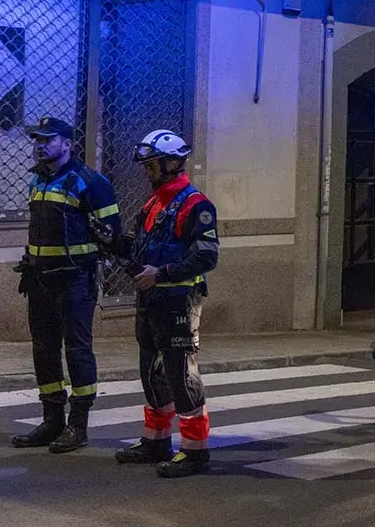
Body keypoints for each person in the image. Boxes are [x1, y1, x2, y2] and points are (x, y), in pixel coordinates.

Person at [91, 129, 219, 478]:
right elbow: (137, 247)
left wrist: (160, 273)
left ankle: (194, 450)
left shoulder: (197, 205)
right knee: (152, 371)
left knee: (180, 373)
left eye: (152, 165)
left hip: (179, 300)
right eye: (146, 166)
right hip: (151, 300)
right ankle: (157, 441)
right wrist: (114, 242)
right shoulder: (154, 203)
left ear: (174, 162)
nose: (147, 172)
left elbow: (207, 257)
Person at [12, 116, 122, 453]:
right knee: (44, 350)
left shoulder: (91, 182)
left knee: (77, 350)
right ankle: (52, 419)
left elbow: (113, 236)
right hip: (40, 278)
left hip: (75, 279)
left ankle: (78, 425)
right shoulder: (38, 180)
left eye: (48, 139)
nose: (41, 144)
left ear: (67, 144)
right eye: (38, 139)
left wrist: (108, 239)